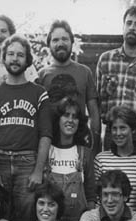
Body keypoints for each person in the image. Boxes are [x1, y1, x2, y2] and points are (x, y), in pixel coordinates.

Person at [0, 34, 52, 221]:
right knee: (0, 218)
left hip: (27, 163)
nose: (14, 58)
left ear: (27, 60)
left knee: (26, 219)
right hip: (0, 160)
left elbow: (45, 134)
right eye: (10, 54)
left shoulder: (38, 93)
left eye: (20, 55)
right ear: (4, 58)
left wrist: (38, 170)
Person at [96, 6, 136, 152]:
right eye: (129, 23)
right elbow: (98, 100)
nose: (132, 28)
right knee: (111, 175)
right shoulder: (105, 60)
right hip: (112, 132)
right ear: (123, 26)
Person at [38, 20, 101, 155]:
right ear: (49, 45)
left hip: (79, 142)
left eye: (64, 39)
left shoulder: (85, 72)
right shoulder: (42, 75)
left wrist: (95, 145)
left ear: (72, 42)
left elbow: (94, 113)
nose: (60, 43)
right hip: (50, 143)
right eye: (55, 40)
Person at [47, 97, 96, 221]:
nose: (70, 120)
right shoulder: (47, 152)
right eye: (66, 115)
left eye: (74, 117)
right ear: (58, 119)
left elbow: (90, 196)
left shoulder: (85, 153)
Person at [94, 106, 136, 214]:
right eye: (114, 128)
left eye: (123, 128)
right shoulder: (101, 160)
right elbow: (97, 200)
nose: (118, 133)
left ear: (132, 130)